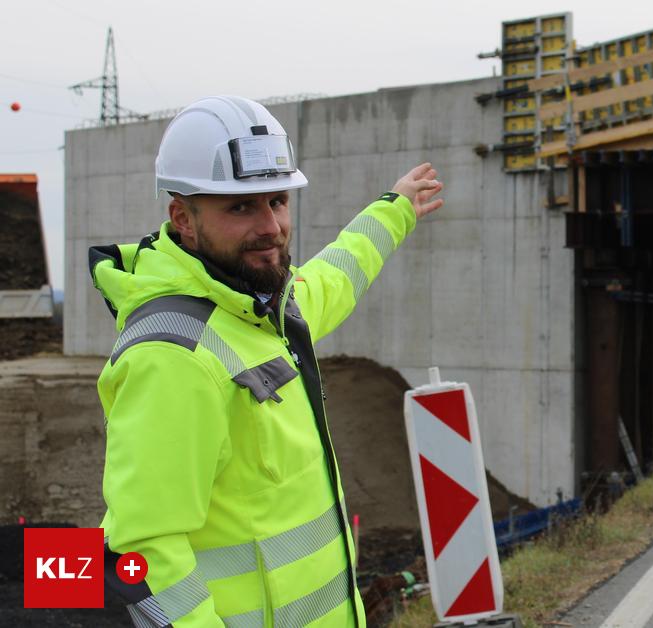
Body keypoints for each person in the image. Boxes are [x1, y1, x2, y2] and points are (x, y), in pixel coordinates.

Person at [90, 96, 443, 627]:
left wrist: (393, 211)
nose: (271, 226)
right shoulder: (171, 358)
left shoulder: (260, 309)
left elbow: (334, 277)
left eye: (277, 201)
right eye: (240, 207)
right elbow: (143, 554)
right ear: (182, 217)